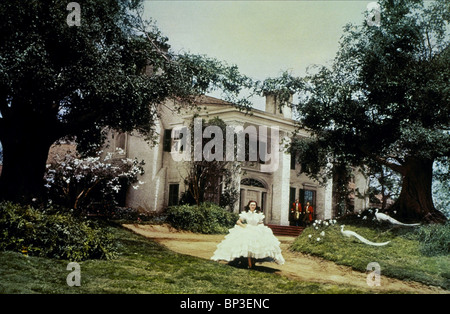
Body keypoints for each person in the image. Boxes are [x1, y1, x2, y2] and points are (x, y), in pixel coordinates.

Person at [211, 200, 285, 268]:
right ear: (249, 206)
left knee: (257, 245)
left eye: (254, 205)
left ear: (256, 206)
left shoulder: (258, 214)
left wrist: (260, 229)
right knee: (244, 244)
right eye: (251, 205)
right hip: (247, 228)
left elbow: (260, 223)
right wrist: (244, 226)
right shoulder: (245, 214)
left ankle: (252, 262)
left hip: (256, 229)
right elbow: (238, 222)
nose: (253, 206)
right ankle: (244, 261)